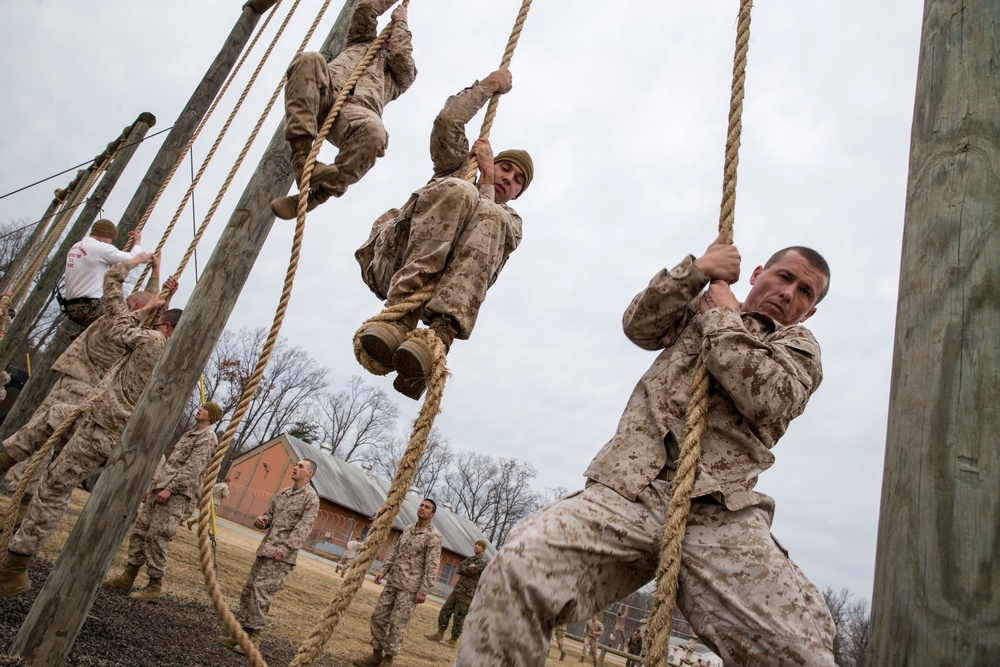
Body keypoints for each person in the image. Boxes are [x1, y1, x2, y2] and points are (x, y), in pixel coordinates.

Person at [454, 237, 837, 666]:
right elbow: (639, 325)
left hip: (719, 511)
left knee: (800, 651)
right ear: (757, 274)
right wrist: (696, 271)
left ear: (811, 311)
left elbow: (767, 398)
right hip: (631, 489)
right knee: (516, 570)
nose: (789, 293)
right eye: (784, 277)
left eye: (805, 292)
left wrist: (725, 316)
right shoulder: (702, 303)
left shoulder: (799, 349)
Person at [0, 254, 181, 598]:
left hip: (102, 425)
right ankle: (6, 459)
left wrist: (138, 259)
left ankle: (14, 567)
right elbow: (148, 317)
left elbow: (117, 290)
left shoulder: (150, 340)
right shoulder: (168, 350)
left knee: (54, 487)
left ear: (165, 328)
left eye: (157, 321)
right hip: (98, 417)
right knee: (53, 419)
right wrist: (160, 290)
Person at [355, 68, 533, 400]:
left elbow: (493, 220)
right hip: (393, 262)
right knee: (461, 191)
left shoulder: (511, 221)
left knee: (491, 215)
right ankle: (399, 317)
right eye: (506, 167)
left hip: (443, 294)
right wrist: (488, 86)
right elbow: (447, 123)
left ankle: (434, 343)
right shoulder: (456, 172)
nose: (509, 177)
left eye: (518, 179)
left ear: (518, 193)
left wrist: (490, 183)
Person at [0, 258, 172, 499]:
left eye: (128, 301)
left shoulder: (118, 317)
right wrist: (156, 273)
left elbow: (112, 279)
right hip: (93, 392)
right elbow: (150, 306)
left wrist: (137, 259)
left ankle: (19, 487)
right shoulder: (139, 334)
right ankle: (27, 495)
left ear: (133, 307)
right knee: (55, 447)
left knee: (39, 435)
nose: (124, 301)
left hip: (76, 381)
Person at [270, 0, 416, 220]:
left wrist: (401, 23)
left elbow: (399, 54)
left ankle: (318, 194)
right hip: (326, 92)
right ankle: (301, 160)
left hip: (354, 114)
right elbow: (366, 9)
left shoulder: (401, 75)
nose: (388, 38)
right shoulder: (360, 40)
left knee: (375, 134)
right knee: (309, 60)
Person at [103, 401, 223, 601]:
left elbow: (193, 469)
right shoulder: (190, 434)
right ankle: (128, 577)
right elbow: (172, 464)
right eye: (200, 406)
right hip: (161, 488)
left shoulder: (208, 437)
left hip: (175, 494)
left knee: (158, 536)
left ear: (209, 416)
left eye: (203, 408)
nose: (199, 409)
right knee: (141, 531)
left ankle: (154, 586)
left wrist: (170, 489)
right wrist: (154, 487)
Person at [218, 459, 320, 654]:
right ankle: (241, 635)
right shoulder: (283, 493)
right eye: (295, 464)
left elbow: (303, 528)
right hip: (266, 549)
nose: (295, 468)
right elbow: (270, 515)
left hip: (281, 555)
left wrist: (286, 548)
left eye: (300, 466)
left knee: (261, 593)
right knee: (249, 590)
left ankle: (253, 638)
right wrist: (263, 520)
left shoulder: (311, 499)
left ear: (309, 473)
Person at [353, 498, 441, 667]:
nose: (422, 508)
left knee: (397, 624)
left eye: (427, 507)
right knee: (378, 617)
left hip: (410, 588)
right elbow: (395, 552)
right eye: (421, 505)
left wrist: (423, 590)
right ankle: (376, 654)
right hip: (393, 582)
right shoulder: (408, 529)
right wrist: (384, 570)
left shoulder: (433, 537)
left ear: (432, 514)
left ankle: (388, 658)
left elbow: (432, 566)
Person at [61, 219, 143, 327]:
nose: (111, 243)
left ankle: (86, 336)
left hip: (71, 307)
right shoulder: (100, 248)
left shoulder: (76, 246)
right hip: (90, 307)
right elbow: (133, 259)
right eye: (111, 240)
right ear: (106, 235)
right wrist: (137, 243)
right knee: (123, 326)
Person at [425, 538, 488, 645]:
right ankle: (440, 633)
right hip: (457, 590)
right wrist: (468, 567)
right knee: (445, 610)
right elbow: (459, 569)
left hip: (467, 594)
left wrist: (468, 568)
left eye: (479, 545)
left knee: (459, 616)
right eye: (476, 544)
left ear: (483, 548)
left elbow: (471, 571)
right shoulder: (469, 559)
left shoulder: (483, 563)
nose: (476, 546)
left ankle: (453, 640)